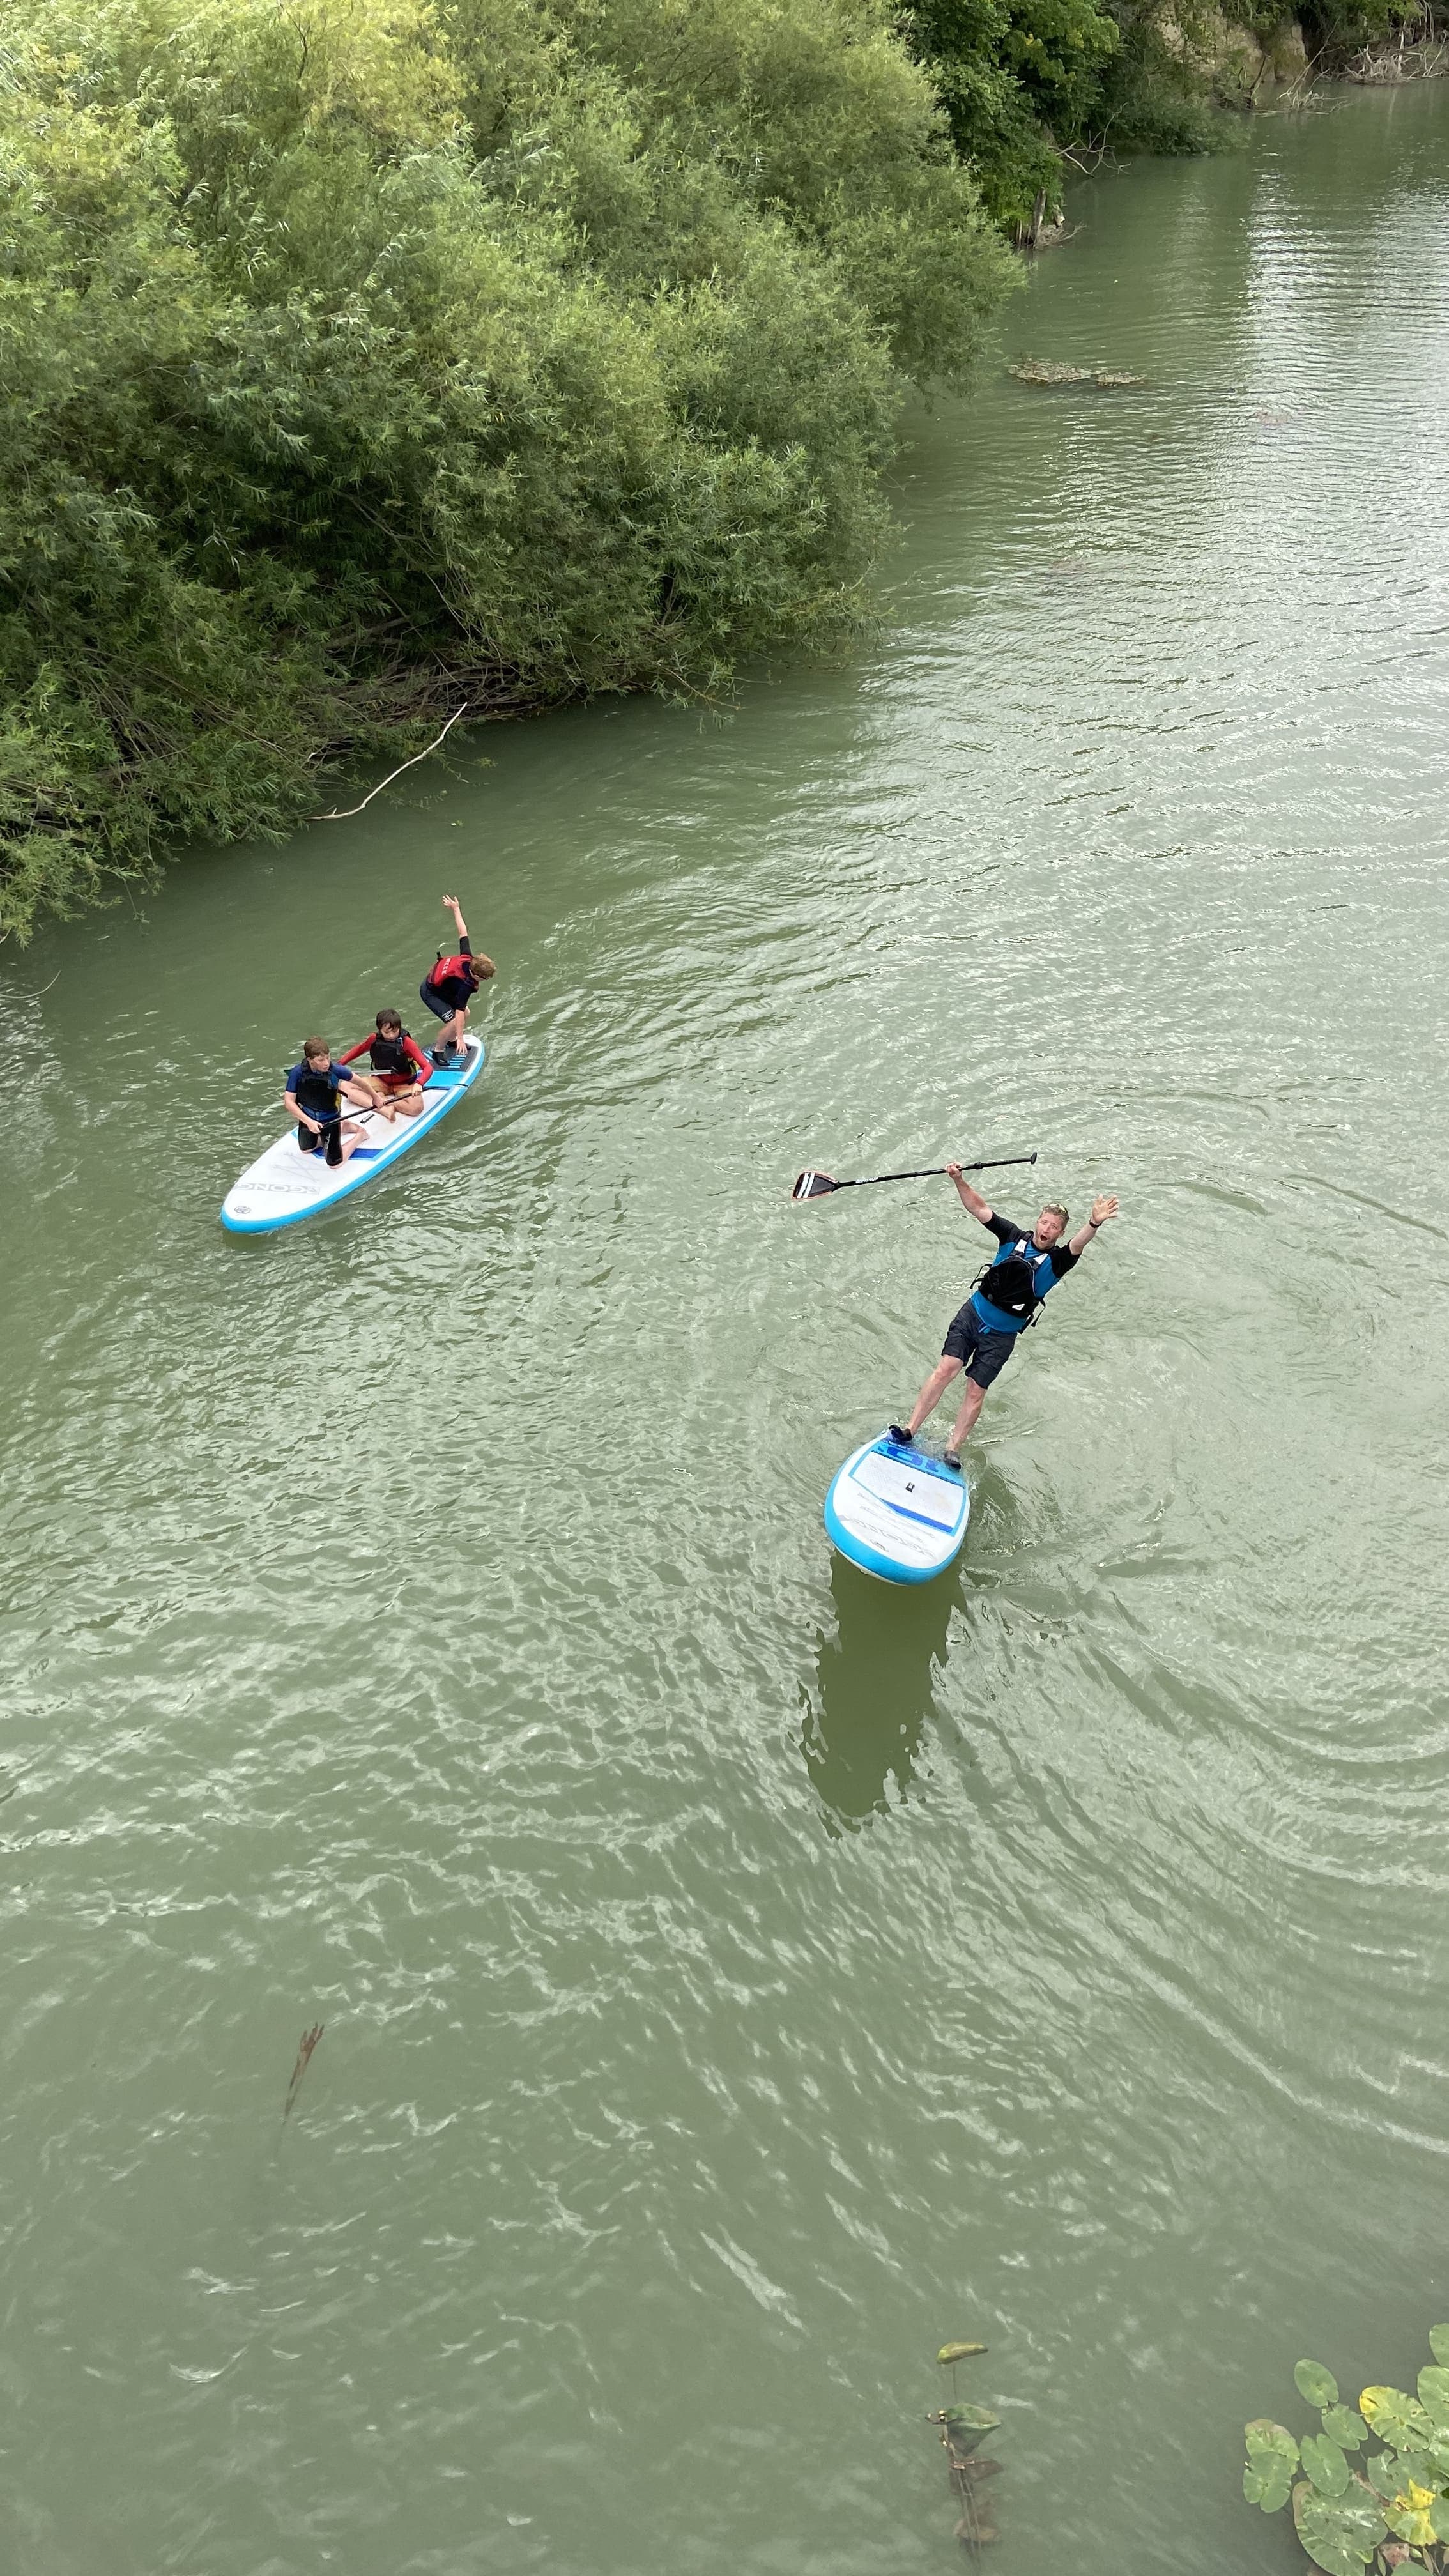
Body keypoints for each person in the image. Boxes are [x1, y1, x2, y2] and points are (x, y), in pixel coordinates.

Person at [890, 1165, 1121, 1468]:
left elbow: (1080, 1243)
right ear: (1037, 1221)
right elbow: (979, 1208)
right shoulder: (1012, 1236)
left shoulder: (1059, 1261)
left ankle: (952, 1448)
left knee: (976, 1389)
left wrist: (1094, 1222)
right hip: (973, 1314)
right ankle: (911, 1430)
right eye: (1044, 1222)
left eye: (1054, 1227)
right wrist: (959, 1179)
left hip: (1002, 1336)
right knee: (948, 1367)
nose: (1047, 1229)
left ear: (1060, 1232)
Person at [419, 894, 495, 1065]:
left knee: (466, 1013)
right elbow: (459, 1013)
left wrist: (456, 909)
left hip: (443, 989)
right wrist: (461, 1038)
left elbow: (463, 932)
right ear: (477, 975)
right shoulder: (465, 985)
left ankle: (451, 1040)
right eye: (484, 979)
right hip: (430, 993)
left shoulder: (467, 957)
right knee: (454, 1020)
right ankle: (439, 1049)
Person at [282, 1039, 372, 1167]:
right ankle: (344, 1127)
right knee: (306, 1149)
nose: (326, 1063)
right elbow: (289, 1102)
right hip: (308, 1116)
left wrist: (375, 1098)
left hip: (330, 1119)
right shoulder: (298, 1073)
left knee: (335, 1164)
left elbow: (360, 1082)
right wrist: (309, 1122)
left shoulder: (336, 1070)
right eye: (320, 1060)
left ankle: (360, 1136)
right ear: (310, 1060)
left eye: (328, 1058)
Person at [337, 1010, 433, 1122]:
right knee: (344, 1087)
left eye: (395, 1031)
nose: (392, 1036)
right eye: (387, 1032)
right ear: (380, 1029)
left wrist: (419, 1084)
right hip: (381, 1081)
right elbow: (359, 1050)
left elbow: (428, 1067)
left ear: (399, 1028)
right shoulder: (374, 1039)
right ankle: (382, 1108)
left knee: (416, 1108)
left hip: (404, 1084)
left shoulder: (407, 1043)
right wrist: (339, 1065)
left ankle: (382, 1099)